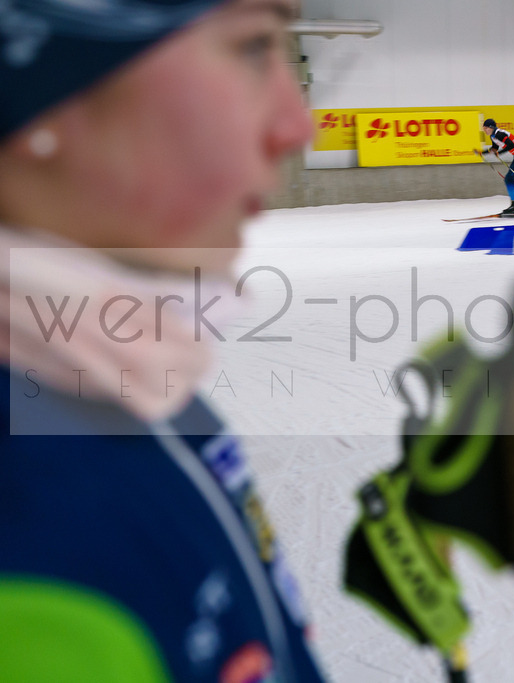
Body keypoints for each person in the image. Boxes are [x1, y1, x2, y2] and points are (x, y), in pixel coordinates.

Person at [0, 1, 324, 681]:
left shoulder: (119, 370)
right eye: (253, 49)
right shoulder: (32, 514)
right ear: (38, 94)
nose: (298, 126)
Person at [481, 117, 514, 216]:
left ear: (491, 127)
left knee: (509, 179)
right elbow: (494, 148)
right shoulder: (492, 136)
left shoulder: (499, 134)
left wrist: (500, 153)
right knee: (508, 180)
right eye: (484, 128)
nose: (484, 130)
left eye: (486, 128)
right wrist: (482, 152)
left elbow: (511, 145)